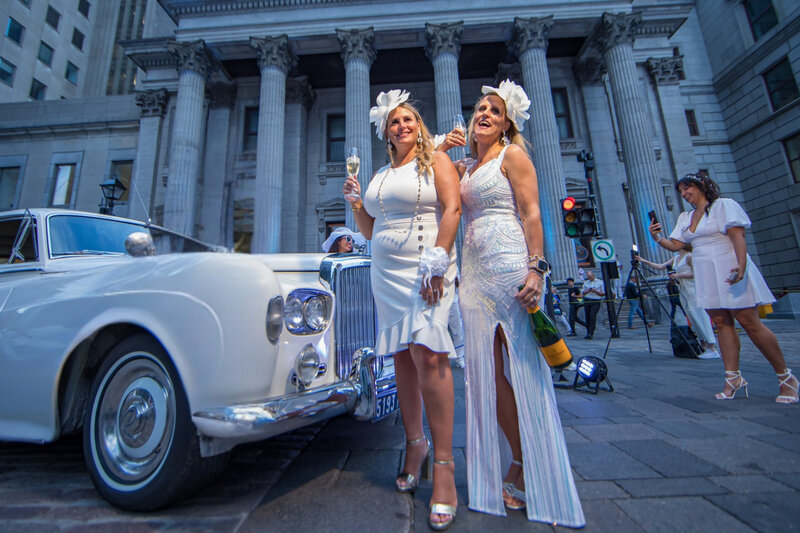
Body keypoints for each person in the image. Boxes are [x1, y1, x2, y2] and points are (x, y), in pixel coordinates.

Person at [440, 79, 584, 527]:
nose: (484, 114)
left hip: (509, 268)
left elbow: (532, 213)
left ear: (506, 125)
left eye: (495, 111)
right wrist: (443, 149)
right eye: (480, 108)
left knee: (522, 368)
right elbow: (438, 193)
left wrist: (537, 269)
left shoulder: (513, 156)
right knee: (485, 375)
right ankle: (515, 460)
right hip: (473, 276)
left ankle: (532, 470)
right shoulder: (465, 166)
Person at [343, 90, 461, 530]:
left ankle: (444, 465)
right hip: (386, 276)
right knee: (403, 359)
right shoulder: (378, 175)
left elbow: (452, 209)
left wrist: (438, 262)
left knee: (429, 354)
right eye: (395, 121)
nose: (402, 125)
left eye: (409, 118)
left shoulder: (437, 162)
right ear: (386, 132)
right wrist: (357, 203)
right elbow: (370, 231)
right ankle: (415, 444)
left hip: (428, 267)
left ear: (419, 126)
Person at [649, 172, 797, 403]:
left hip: (728, 265)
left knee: (749, 321)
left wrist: (741, 265)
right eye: (681, 191)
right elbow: (676, 245)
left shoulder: (724, 205)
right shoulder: (686, 217)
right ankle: (733, 378)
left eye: (687, 188)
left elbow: (738, 237)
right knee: (720, 322)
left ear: (701, 185)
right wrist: (657, 237)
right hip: (705, 270)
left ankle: (786, 378)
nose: (684, 194)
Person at [638, 247, 720, 359]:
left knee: (700, 316)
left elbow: (697, 273)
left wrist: (679, 275)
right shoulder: (675, 258)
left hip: (692, 289)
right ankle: (704, 345)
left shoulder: (689, 256)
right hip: (683, 290)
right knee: (693, 318)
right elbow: (661, 266)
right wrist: (644, 261)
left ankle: (711, 346)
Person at [581, 269, 604, 340]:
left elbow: (603, 293)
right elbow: (583, 293)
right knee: (587, 316)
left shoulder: (600, 282)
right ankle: (588, 332)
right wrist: (587, 290)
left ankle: (591, 332)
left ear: (593, 275)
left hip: (596, 300)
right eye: (588, 277)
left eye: (590, 277)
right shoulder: (586, 283)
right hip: (587, 300)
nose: (589, 278)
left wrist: (595, 291)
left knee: (592, 315)